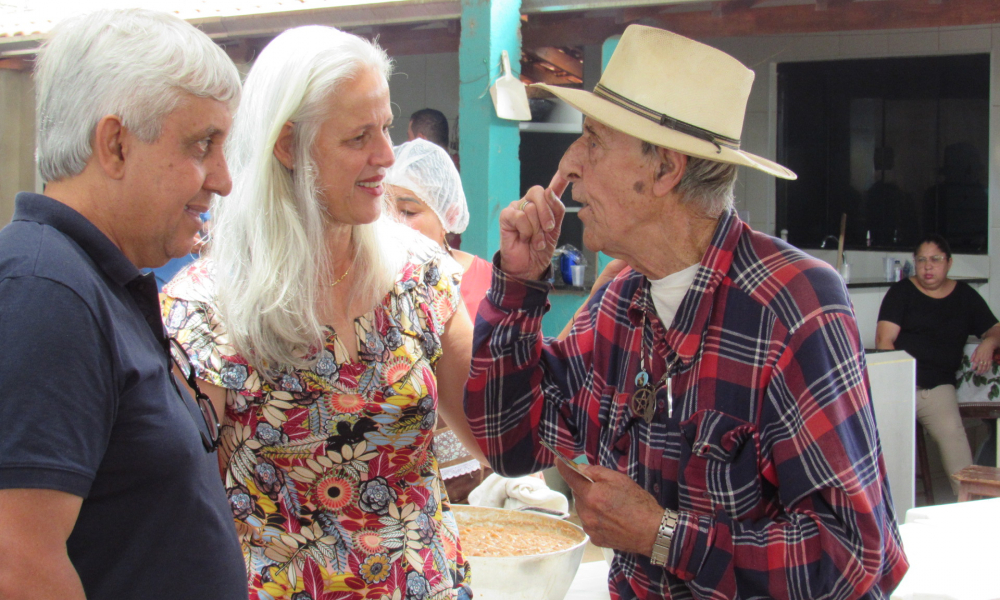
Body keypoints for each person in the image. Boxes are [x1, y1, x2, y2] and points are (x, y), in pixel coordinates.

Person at [465, 25, 908, 599]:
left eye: (593, 140)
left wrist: (661, 534)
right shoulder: (621, 296)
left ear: (665, 170)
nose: (569, 163)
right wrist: (519, 286)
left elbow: (850, 556)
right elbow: (511, 443)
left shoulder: (795, 304)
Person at [160, 26, 479, 600]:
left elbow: (491, 427)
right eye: (359, 136)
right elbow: (179, 513)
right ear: (287, 145)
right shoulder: (206, 310)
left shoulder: (418, 274)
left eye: (386, 126)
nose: (387, 155)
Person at [0, 9, 246, 600]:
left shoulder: (88, 279)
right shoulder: (46, 289)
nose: (223, 178)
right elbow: (18, 562)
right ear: (114, 144)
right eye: (201, 145)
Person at [876, 234, 1000, 495]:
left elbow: (996, 328)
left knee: (957, 450)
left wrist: (989, 342)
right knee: (887, 448)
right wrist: (897, 387)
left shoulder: (965, 296)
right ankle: (890, 515)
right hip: (899, 386)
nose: (927, 266)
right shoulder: (901, 292)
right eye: (921, 260)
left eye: (935, 260)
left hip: (937, 389)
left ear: (949, 263)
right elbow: (884, 341)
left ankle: (972, 511)